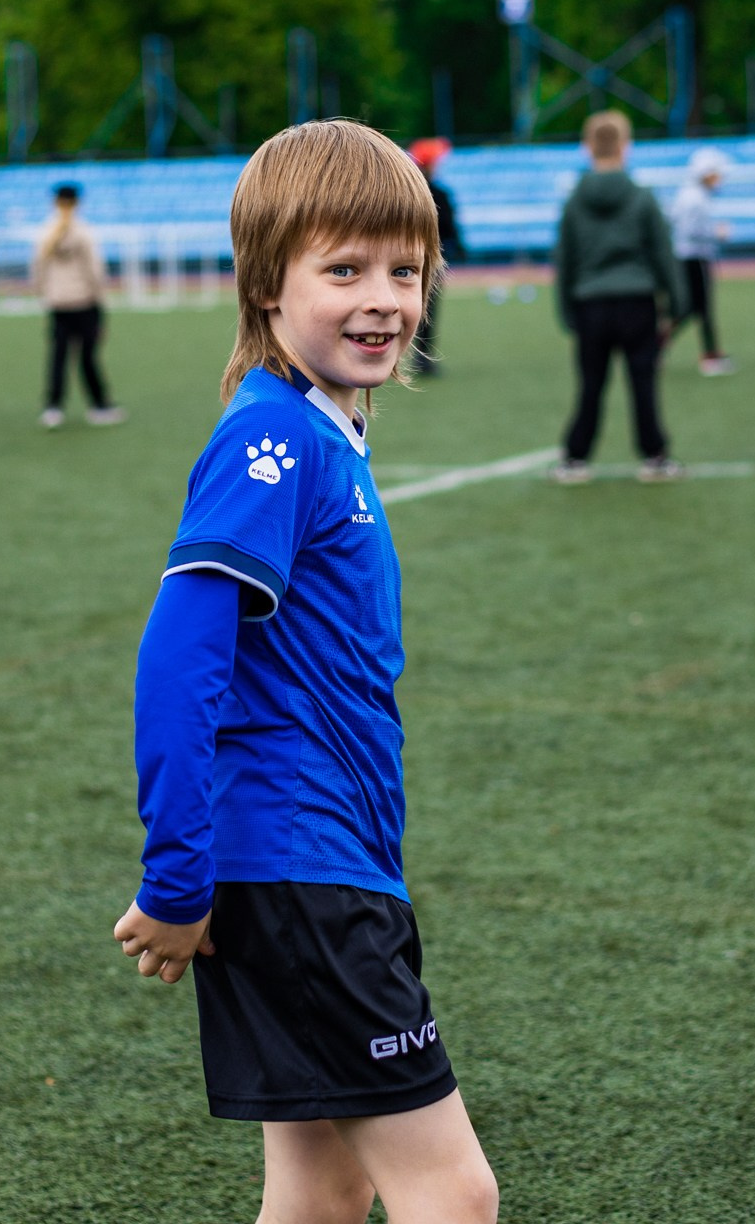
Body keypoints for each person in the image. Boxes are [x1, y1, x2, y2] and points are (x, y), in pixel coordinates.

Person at [112, 119, 500, 1224]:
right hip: (297, 864)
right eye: (344, 269)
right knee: (454, 1196)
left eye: (405, 270)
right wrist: (178, 876)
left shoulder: (322, 434)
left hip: (314, 861)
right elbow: (180, 653)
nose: (384, 297)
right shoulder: (270, 441)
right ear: (264, 285)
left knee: (321, 1189)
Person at [551, 110, 685, 484]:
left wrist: (566, 309)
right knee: (643, 382)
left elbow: (566, 258)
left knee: (591, 384)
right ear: (625, 146)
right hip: (637, 301)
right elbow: (662, 253)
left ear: (588, 147)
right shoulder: (642, 197)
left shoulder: (575, 200)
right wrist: (676, 304)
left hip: (590, 303)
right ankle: (655, 456)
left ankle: (575, 457)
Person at [35, 183, 123, 429]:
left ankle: (53, 408)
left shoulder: (46, 231)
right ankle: (100, 406)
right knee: (87, 357)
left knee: (58, 356)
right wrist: (101, 300)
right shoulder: (83, 231)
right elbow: (95, 271)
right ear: (77, 202)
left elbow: (38, 269)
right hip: (84, 301)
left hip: (58, 303)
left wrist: (46, 293)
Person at [668, 147, 734, 376]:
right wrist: (716, 233)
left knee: (692, 308)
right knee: (695, 308)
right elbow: (689, 230)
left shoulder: (691, 194)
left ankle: (710, 352)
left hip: (691, 256)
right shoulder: (694, 198)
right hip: (692, 257)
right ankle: (710, 355)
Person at [406, 137, 464, 376]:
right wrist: (458, 246)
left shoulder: (408, 192)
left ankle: (417, 357)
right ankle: (423, 358)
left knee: (415, 308)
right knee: (427, 310)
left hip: (409, 259)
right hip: (431, 258)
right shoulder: (437, 193)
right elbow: (449, 226)